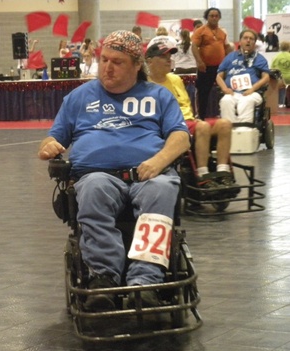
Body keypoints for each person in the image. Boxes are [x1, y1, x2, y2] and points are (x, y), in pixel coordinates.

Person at [38, 30, 190, 311]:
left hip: (150, 174)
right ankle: (104, 277)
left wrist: (158, 161)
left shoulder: (158, 95)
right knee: (93, 187)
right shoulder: (78, 98)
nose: (107, 67)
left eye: (117, 62)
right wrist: (49, 146)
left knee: (161, 189)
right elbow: (54, 137)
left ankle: (146, 281)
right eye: (104, 60)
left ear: (136, 66)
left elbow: (180, 137)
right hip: (97, 175)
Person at [146, 42, 235, 190]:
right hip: (170, 126)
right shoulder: (146, 84)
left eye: (169, 56)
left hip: (189, 122)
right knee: (203, 126)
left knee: (225, 124)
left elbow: (187, 104)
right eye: (163, 57)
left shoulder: (175, 79)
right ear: (149, 61)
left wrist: (194, 118)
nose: (169, 60)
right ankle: (202, 175)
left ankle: (223, 171)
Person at [216, 29, 270, 124]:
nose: (248, 40)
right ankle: (229, 129)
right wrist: (224, 89)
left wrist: (252, 89)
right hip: (232, 92)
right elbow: (219, 76)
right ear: (240, 41)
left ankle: (245, 129)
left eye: (251, 39)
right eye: (245, 38)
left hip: (252, 93)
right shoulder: (230, 57)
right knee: (225, 101)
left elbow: (266, 77)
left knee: (246, 101)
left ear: (254, 42)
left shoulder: (259, 59)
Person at [191, 7, 233, 120]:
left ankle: (227, 116)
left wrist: (231, 60)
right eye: (211, 16)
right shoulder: (200, 31)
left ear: (219, 17)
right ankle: (201, 117)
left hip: (221, 69)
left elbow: (227, 47)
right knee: (203, 92)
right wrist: (199, 62)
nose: (214, 18)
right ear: (207, 17)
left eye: (216, 16)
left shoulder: (222, 32)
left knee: (225, 91)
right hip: (205, 68)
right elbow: (194, 46)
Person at [271, 41, 290, 107]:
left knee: (281, 87)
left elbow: (272, 68)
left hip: (280, 78)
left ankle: (280, 103)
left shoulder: (276, 57)